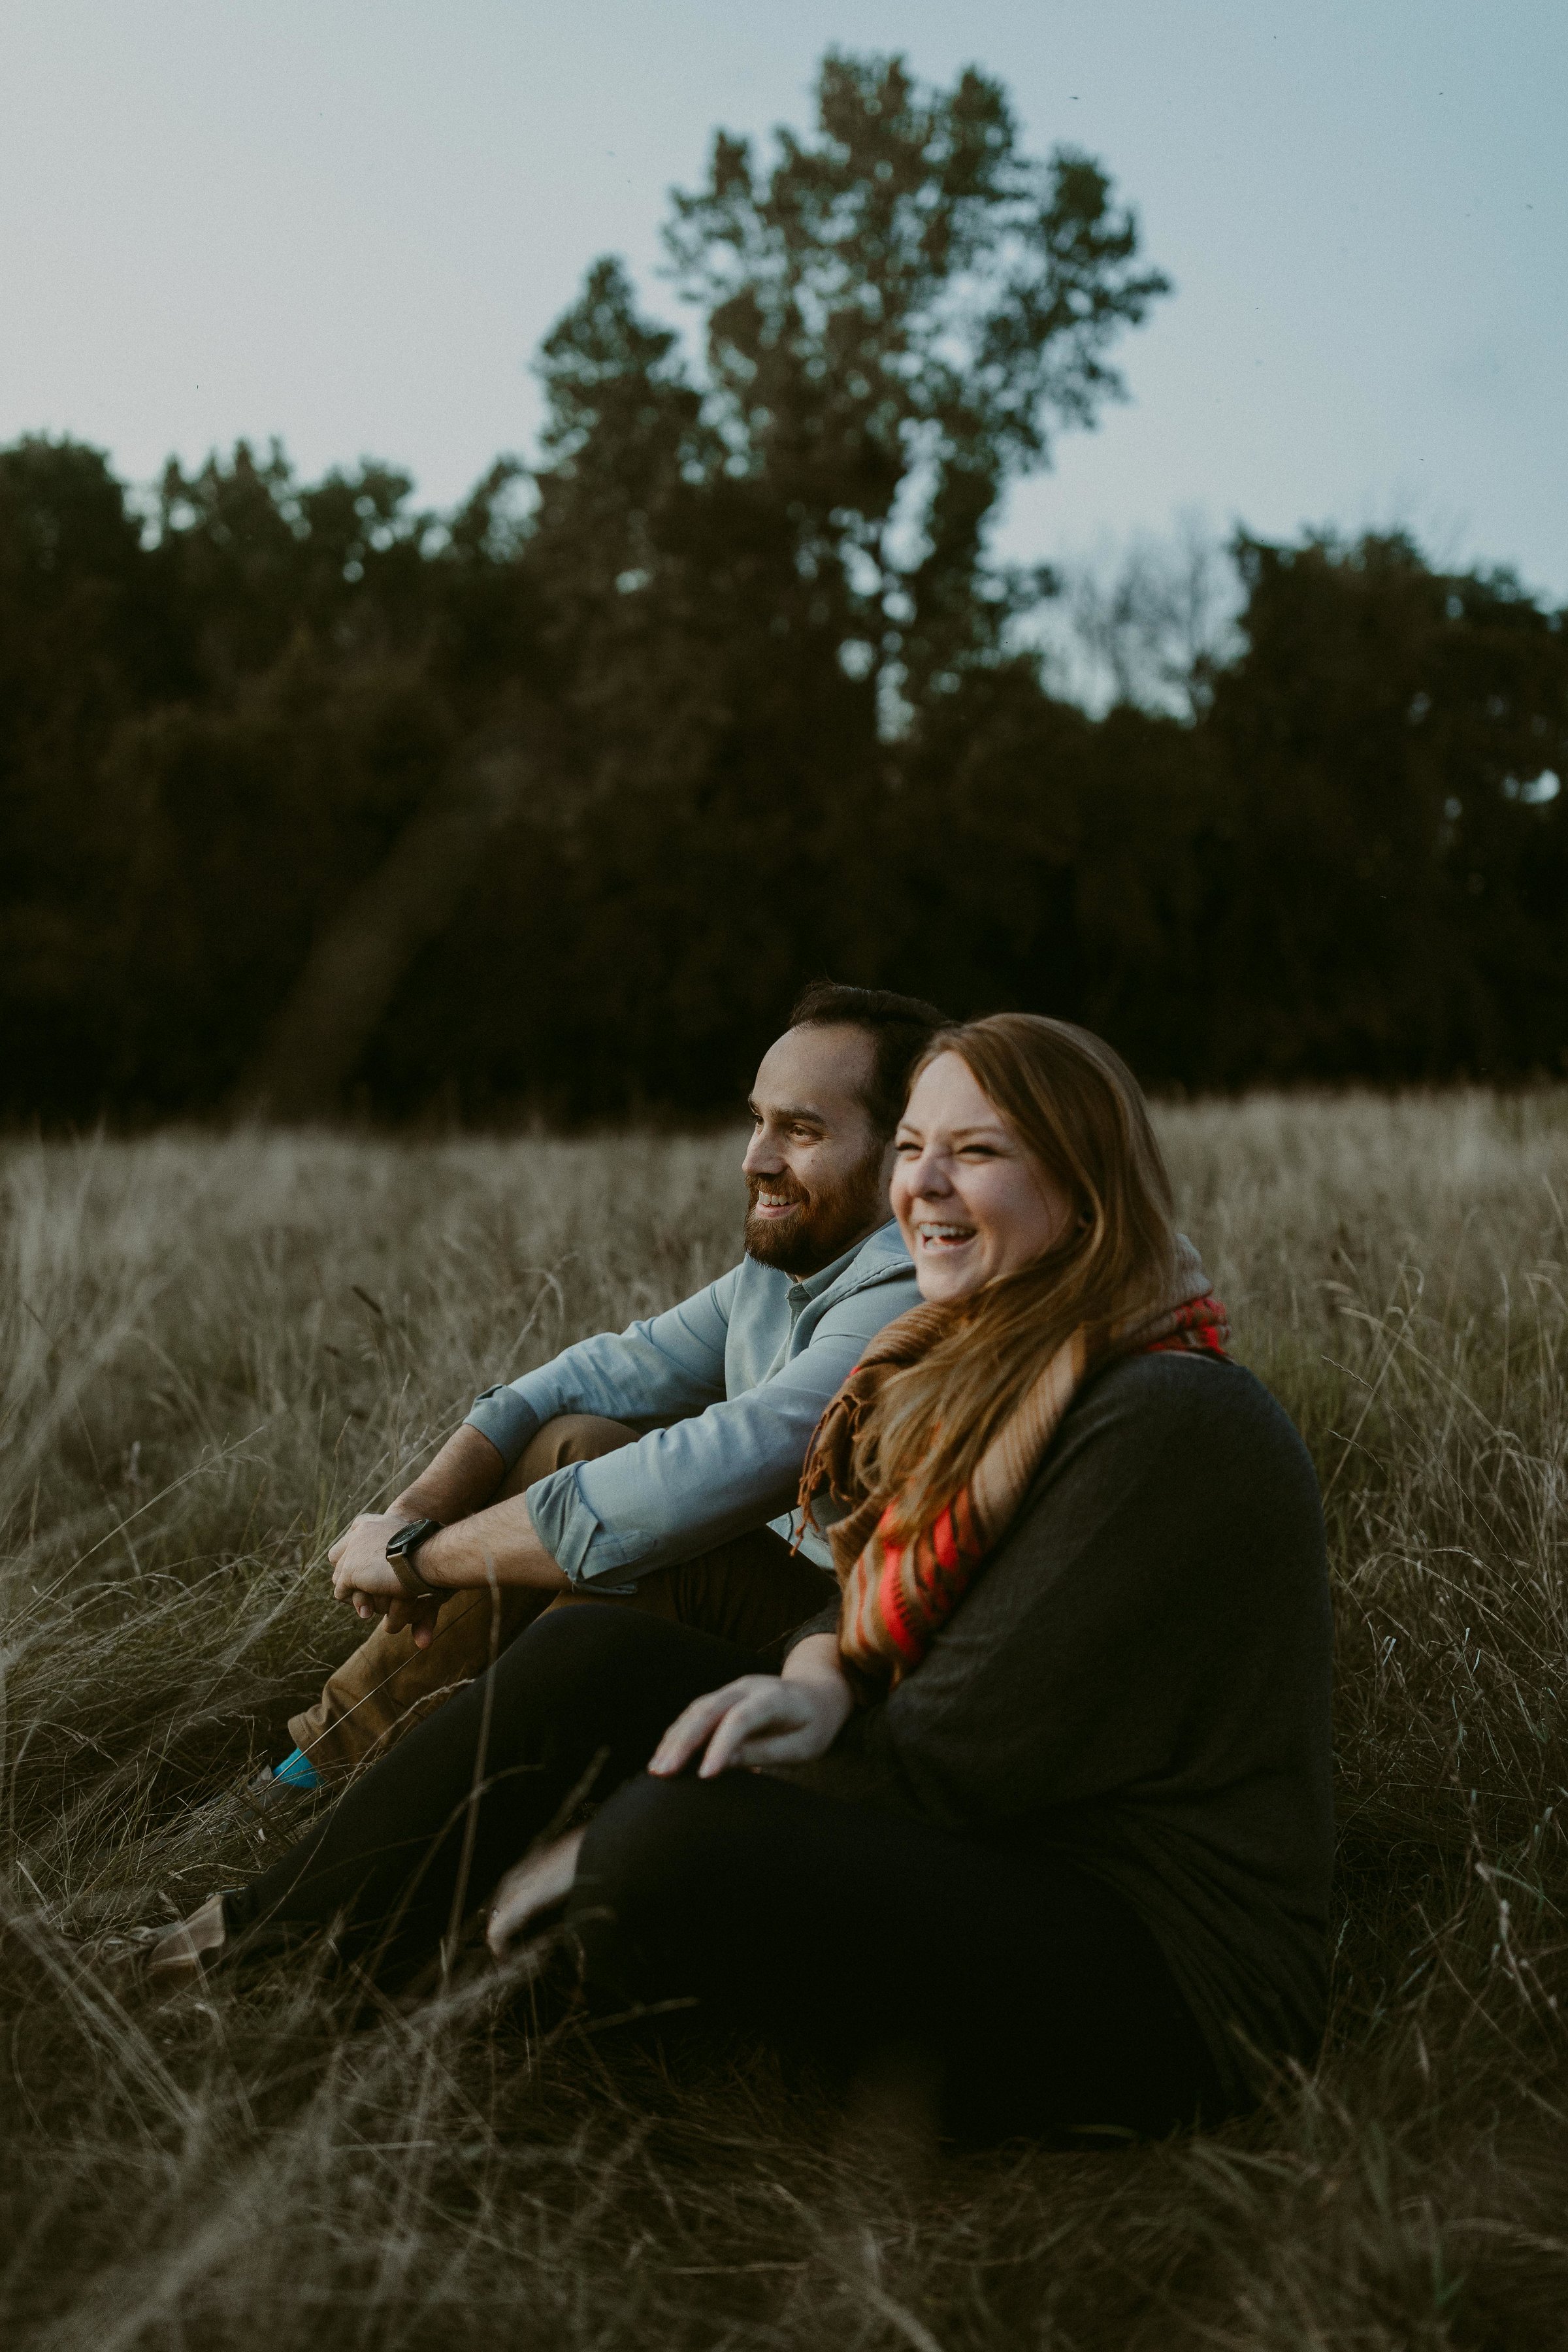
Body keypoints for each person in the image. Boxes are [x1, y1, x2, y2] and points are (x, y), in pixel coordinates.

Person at [155, 1015, 1333, 2144]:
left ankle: (529, 1961)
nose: (922, 1185)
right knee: (590, 1654)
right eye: (915, 1148)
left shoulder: (1165, 1418)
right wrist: (821, 1669)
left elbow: (949, 1762)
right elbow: (869, 1610)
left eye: (977, 1153)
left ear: (1086, 1192)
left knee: (665, 1841)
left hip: (1158, 1972)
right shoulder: (991, 1366)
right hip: (1008, 1846)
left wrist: (606, 1836)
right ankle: (245, 1954)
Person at [261, 981, 947, 1791]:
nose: (756, 1159)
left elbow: (736, 1456)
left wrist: (423, 1561)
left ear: (907, 1148)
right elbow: (590, 1375)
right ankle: (319, 1770)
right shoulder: (795, 1264)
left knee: (655, 1549)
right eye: (757, 1120)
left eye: (800, 1130)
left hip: (853, 1653)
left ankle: (449, 1803)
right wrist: (423, 1504)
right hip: (792, 1614)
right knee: (574, 1441)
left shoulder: (911, 1287)